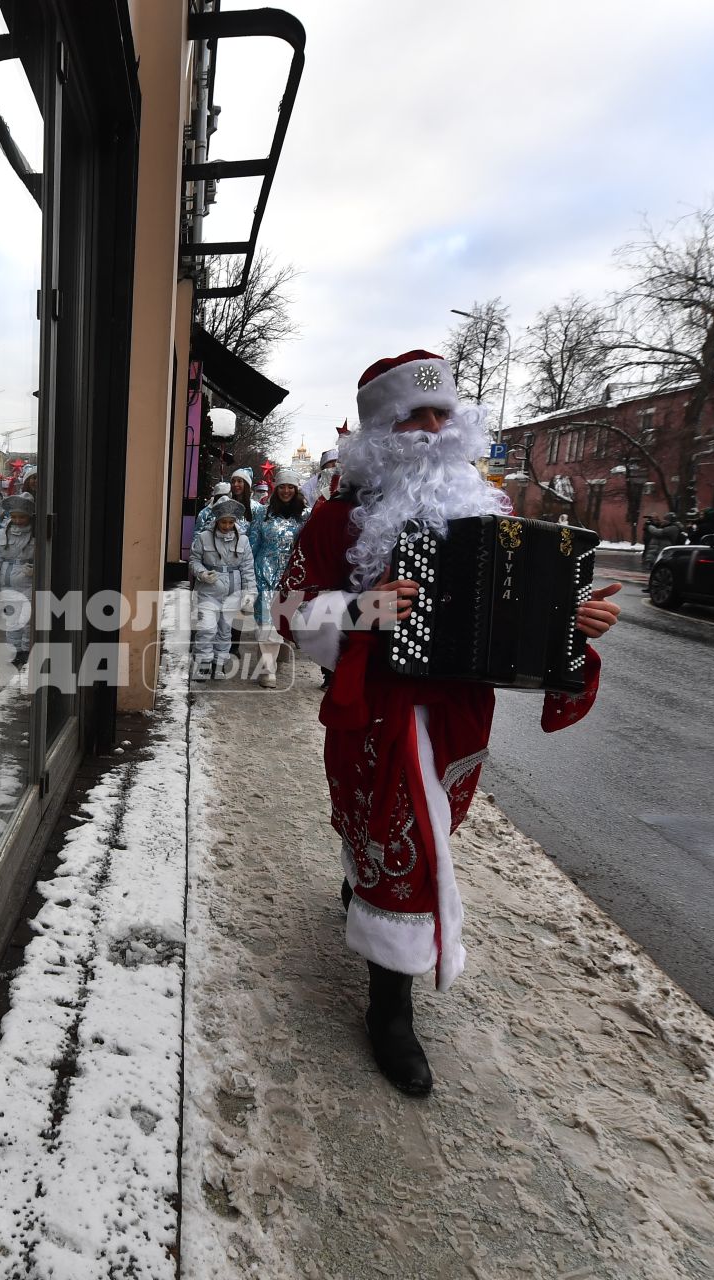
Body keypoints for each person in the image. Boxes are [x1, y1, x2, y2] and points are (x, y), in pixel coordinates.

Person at [279, 350, 620, 1096]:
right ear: (379, 433)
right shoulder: (336, 519)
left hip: (463, 714)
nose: (433, 431)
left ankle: (362, 892)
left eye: (443, 415)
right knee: (401, 849)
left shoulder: (490, 512)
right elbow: (290, 615)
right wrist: (367, 611)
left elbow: (529, 618)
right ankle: (390, 1012)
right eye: (413, 418)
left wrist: (576, 623)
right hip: (376, 714)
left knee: (399, 840)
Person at [250, 469, 307, 688]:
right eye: (282, 486)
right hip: (263, 573)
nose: (286, 491)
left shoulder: (304, 515)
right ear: (276, 489)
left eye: (290, 487)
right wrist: (248, 577)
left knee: (282, 622)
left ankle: (275, 656)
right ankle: (267, 670)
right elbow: (253, 544)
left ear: (296, 489)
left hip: (290, 577)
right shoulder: (263, 514)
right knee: (266, 623)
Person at [187, 498, 254, 682]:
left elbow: (248, 568)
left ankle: (219, 664)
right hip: (209, 590)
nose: (227, 526)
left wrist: (249, 594)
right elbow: (194, 560)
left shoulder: (243, 540)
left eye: (231, 522)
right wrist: (201, 573)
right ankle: (203, 664)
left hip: (233, 590)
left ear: (235, 522)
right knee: (207, 627)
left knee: (225, 630)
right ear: (217, 520)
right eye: (223, 522)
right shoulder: (204, 537)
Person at [0, 493, 38, 668]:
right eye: (14, 516)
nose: (18, 520)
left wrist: (35, 568)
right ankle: (14, 651)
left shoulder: (36, 533)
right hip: (7, 581)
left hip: (27, 581)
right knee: (11, 618)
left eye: (22, 517)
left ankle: (26, 650)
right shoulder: (1, 533)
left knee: (26, 618)